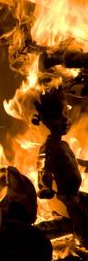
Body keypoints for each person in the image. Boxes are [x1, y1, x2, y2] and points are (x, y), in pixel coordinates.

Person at [33, 86, 88, 246]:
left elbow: (72, 161)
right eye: (59, 116)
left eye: (65, 114)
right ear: (47, 121)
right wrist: (45, 188)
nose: (65, 120)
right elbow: (43, 172)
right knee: (83, 219)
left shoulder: (62, 145)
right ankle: (83, 241)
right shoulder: (47, 149)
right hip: (64, 199)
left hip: (75, 195)